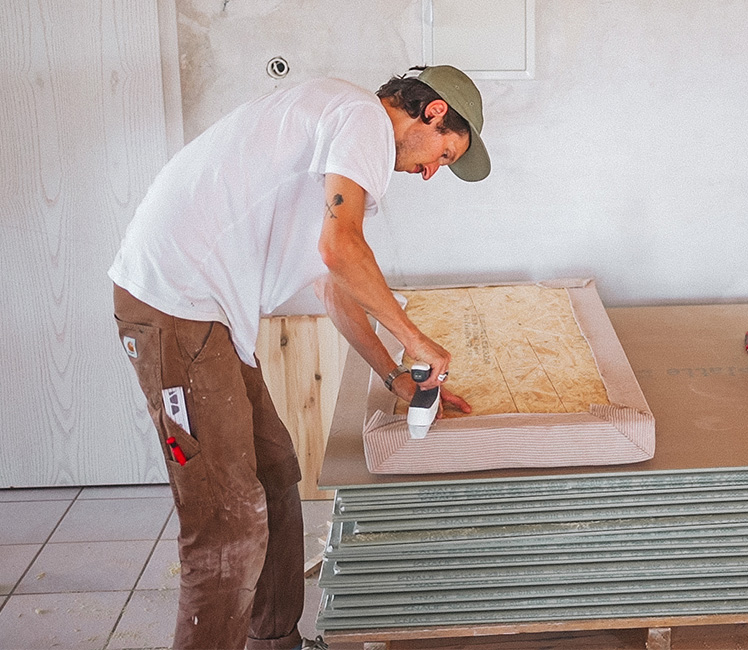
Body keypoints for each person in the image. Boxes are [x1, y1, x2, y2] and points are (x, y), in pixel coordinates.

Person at [108, 65, 487, 650]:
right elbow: (342, 249)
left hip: (206, 315)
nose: (431, 172)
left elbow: (331, 279)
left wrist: (393, 374)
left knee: (276, 472)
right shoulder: (362, 117)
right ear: (433, 113)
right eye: (444, 152)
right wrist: (415, 339)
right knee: (226, 526)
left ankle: (275, 640)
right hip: (174, 309)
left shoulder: (336, 123)